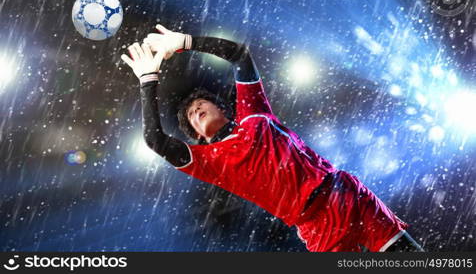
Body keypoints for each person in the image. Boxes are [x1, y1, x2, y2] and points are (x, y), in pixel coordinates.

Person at [120, 24, 424, 252]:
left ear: (222, 108)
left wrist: (185, 42)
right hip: (317, 226)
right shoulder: (210, 162)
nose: (196, 109)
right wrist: (148, 79)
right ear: (198, 137)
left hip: (347, 195)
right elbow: (155, 140)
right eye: (190, 116)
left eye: (201, 103)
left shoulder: (254, 113)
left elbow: (240, 54)